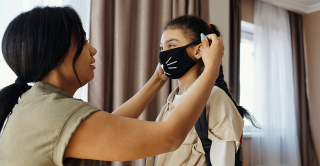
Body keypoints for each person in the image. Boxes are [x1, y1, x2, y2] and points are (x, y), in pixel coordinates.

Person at [0, 6, 224, 166]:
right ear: (56, 53)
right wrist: (212, 68)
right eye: (83, 41)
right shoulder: (52, 114)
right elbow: (170, 137)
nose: (93, 50)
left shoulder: (37, 104)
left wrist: (158, 79)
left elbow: (112, 124)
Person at [146, 15, 260, 166]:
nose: (163, 54)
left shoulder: (215, 98)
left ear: (199, 50)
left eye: (171, 46)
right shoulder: (170, 102)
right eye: (162, 47)